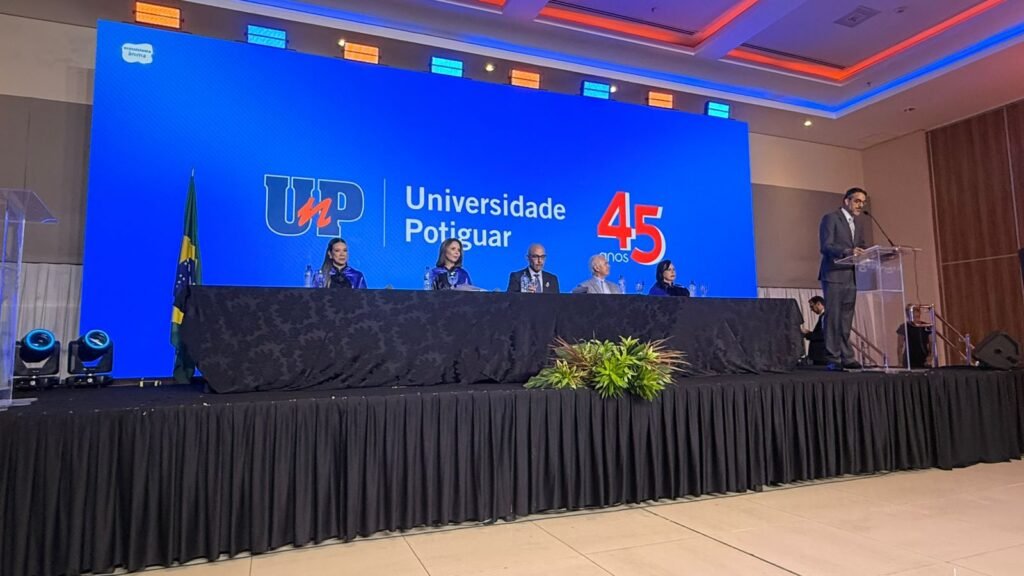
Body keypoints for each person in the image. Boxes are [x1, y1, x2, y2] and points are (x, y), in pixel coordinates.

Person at [819, 187, 869, 371]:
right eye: (857, 201)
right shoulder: (831, 218)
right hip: (834, 275)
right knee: (833, 317)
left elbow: (861, 245)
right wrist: (848, 251)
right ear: (846, 201)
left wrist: (866, 253)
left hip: (851, 276)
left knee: (846, 319)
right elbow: (826, 246)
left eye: (863, 202)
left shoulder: (858, 223)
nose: (860, 205)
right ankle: (833, 357)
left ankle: (847, 357)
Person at [802, 296, 826, 365]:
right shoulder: (823, 316)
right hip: (820, 355)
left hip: (822, 355)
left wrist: (808, 334)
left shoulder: (825, 316)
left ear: (818, 304)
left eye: (812, 306)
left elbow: (824, 335)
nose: (811, 309)